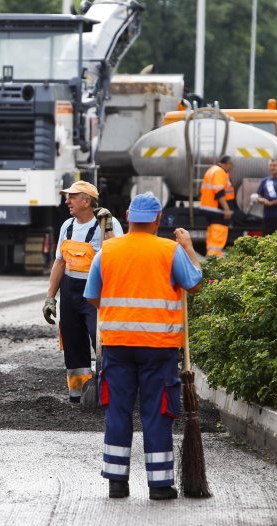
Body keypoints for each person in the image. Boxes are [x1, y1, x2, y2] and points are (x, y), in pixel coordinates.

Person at [83, 193, 203, 501]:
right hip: (158, 348)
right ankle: (161, 485)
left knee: (118, 412)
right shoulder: (170, 250)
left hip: (117, 346)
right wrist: (189, 247)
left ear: (128, 216)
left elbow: (93, 296)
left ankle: (116, 482)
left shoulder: (107, 251)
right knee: (157, 412)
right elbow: (194, 283)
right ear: (158, 219)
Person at [42, 181, 123, 404]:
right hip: (70, 291)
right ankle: (78, 393)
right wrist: (51, 297)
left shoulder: (108, 224)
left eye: (72, 197)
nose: (67, 201)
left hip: (97, 292)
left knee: (102, 342)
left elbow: (116, 256)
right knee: (72, 341)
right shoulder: (67, 225)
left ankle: (109, 393)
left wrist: (107, 230)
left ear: (86, 201)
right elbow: (59, 262)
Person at [198, 155, 234, 256]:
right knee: (217, 240)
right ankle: (214, 262)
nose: (231, 168)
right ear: (227, 163)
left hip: (210, 209)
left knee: (212, 239)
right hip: (217, 211)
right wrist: (227, 209)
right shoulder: (220, 172)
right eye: (231, 165)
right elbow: (219, 191)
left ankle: (211, 259)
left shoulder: (212, 170)